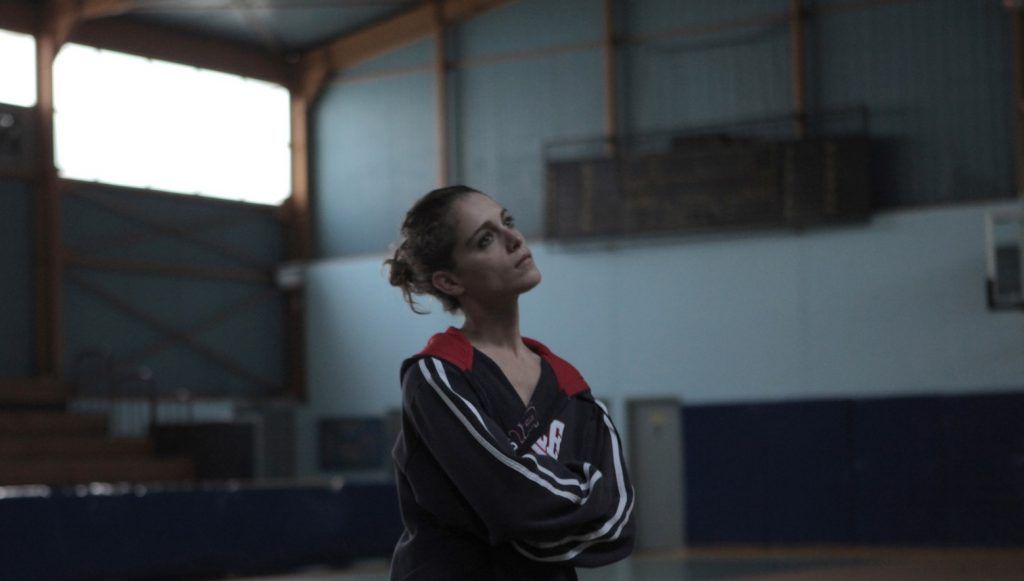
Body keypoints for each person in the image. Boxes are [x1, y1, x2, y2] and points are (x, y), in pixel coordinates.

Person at [384, 185, 636, 581]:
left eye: (508, 222)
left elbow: (616, 519)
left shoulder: (570, 386)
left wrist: (523, 523)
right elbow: (513, 505)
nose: (514, 238)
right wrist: (563, 506)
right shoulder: (437, 375)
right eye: (485, 239)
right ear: (449, 281)